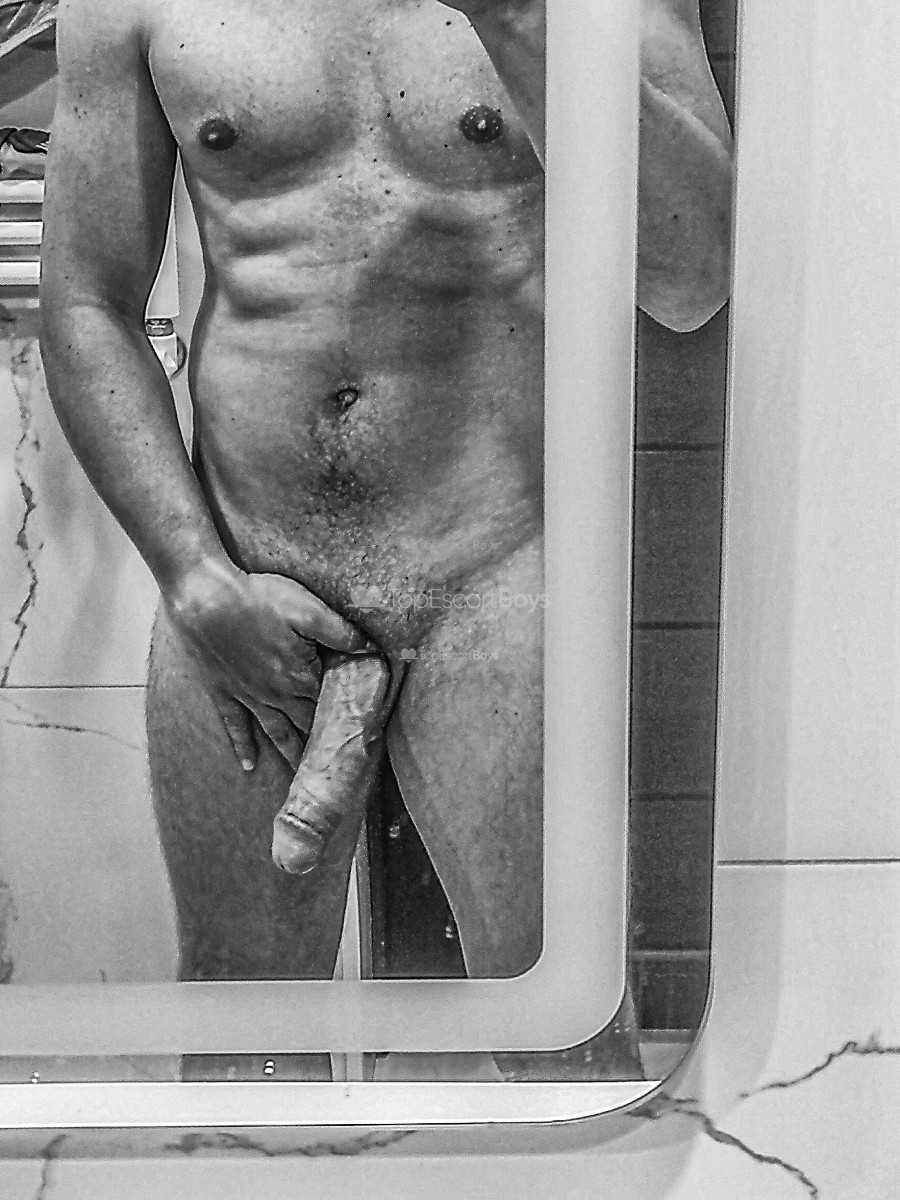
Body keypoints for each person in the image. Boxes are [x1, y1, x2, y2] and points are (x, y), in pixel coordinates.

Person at [39, 0, 731, 1001]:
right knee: (243, 1029)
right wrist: (192, 571)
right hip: (245, 561)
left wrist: (517, 21)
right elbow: (87, 303)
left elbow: (694, 279)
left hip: (499, 570)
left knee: (556, 1025)